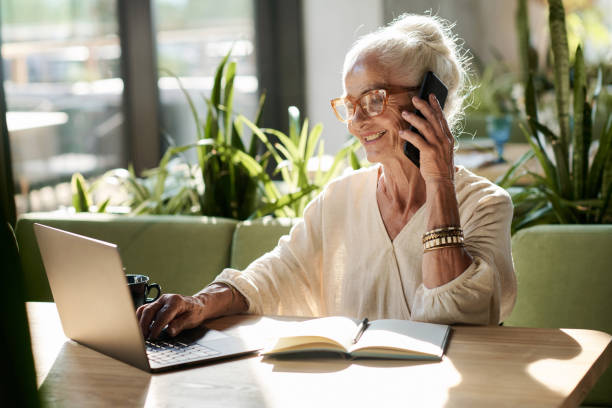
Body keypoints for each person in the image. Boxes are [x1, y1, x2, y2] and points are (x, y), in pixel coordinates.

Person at [138, 13, 517, 340]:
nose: (356, 122)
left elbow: (456, 321)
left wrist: (439, 183)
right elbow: (274, 274)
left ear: (429, 101)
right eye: (350, 106)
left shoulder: (484, 204)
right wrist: (198, 304)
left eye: (372, 99)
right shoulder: (339, 198)